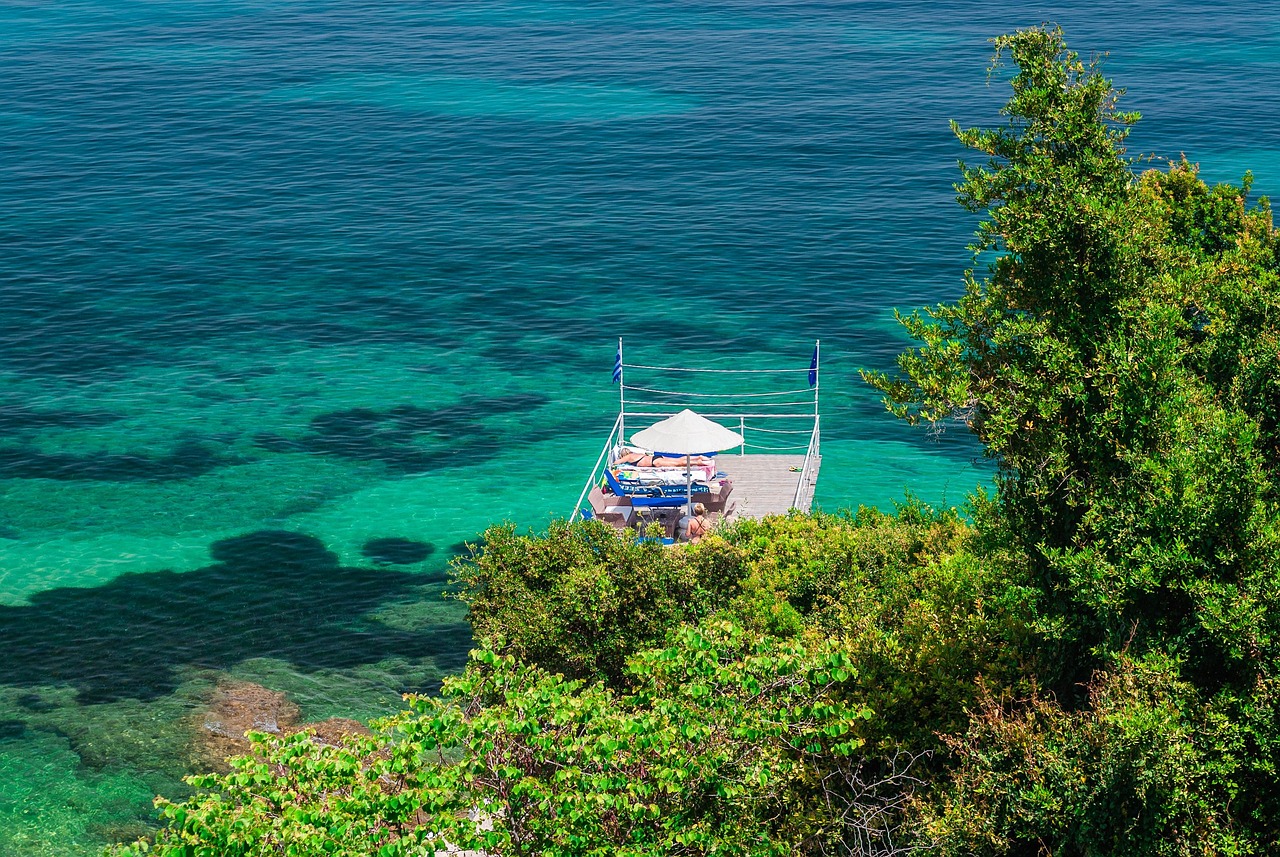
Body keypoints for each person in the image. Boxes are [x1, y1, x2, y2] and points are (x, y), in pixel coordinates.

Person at [615, 448, 715, 468]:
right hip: (656, 457)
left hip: (655, 462)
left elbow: (616, 462)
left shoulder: (628, 457)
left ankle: (698, 462)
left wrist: (616, 462)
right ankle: (698, 457)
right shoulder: (635, 454)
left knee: (678, 464)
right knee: (678, 460)